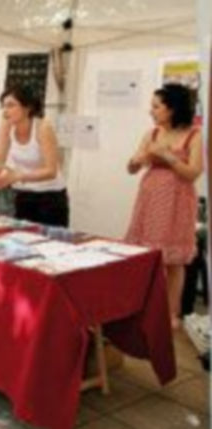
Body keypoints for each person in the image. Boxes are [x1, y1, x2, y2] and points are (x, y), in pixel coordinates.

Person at [125, 83, 202, 330]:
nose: (152, 111)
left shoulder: (195, 134)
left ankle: (171, 314)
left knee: (173, 261)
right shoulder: (152, 133)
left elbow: (192, 173)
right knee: (146, 255)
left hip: (178, 199)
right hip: (151, 197)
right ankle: (141, 308)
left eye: (156, 106)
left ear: (173, 109)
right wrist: (137, 160)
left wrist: (167, 155)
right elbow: (131, 167)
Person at [0, 86, 69, 227]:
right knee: (23, 239)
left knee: (49, 243)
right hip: (23, 194)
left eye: (11, 105)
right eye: (3, 106)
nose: (5, 111)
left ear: (27, 107)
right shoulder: (7, 126)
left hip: (50, 196)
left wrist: (18, 176)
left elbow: (51, 171)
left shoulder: (43, 128)